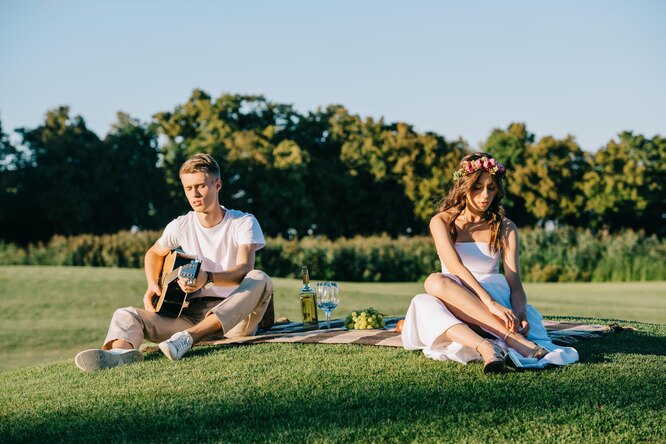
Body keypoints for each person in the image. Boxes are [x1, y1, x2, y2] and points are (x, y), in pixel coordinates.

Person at [75, 153, 273, 371]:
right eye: (188, 188)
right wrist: (152, 284)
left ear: (217, 185)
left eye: (201, 186)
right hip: (188, 316)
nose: (195, 194)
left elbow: (243, 269)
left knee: (259, 277)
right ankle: (120, 355)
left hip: (234, 319)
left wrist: (206, 278)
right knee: (126, 314)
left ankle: (188, 339)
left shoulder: (243, 222)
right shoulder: (180, 225)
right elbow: (153, 253)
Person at [401, 152, 578, 373]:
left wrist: (520, 311)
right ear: (463, 187)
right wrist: (487, 303)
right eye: (477, 187)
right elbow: (456, 267)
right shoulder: (442, 222)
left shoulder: (506, 227)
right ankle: (486, 347)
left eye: (491, 187)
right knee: (431, 289)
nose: (485, 195)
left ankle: (508, 338)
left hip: (495, 298)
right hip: (457, 299)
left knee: (432, 287)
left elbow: (514, 281)